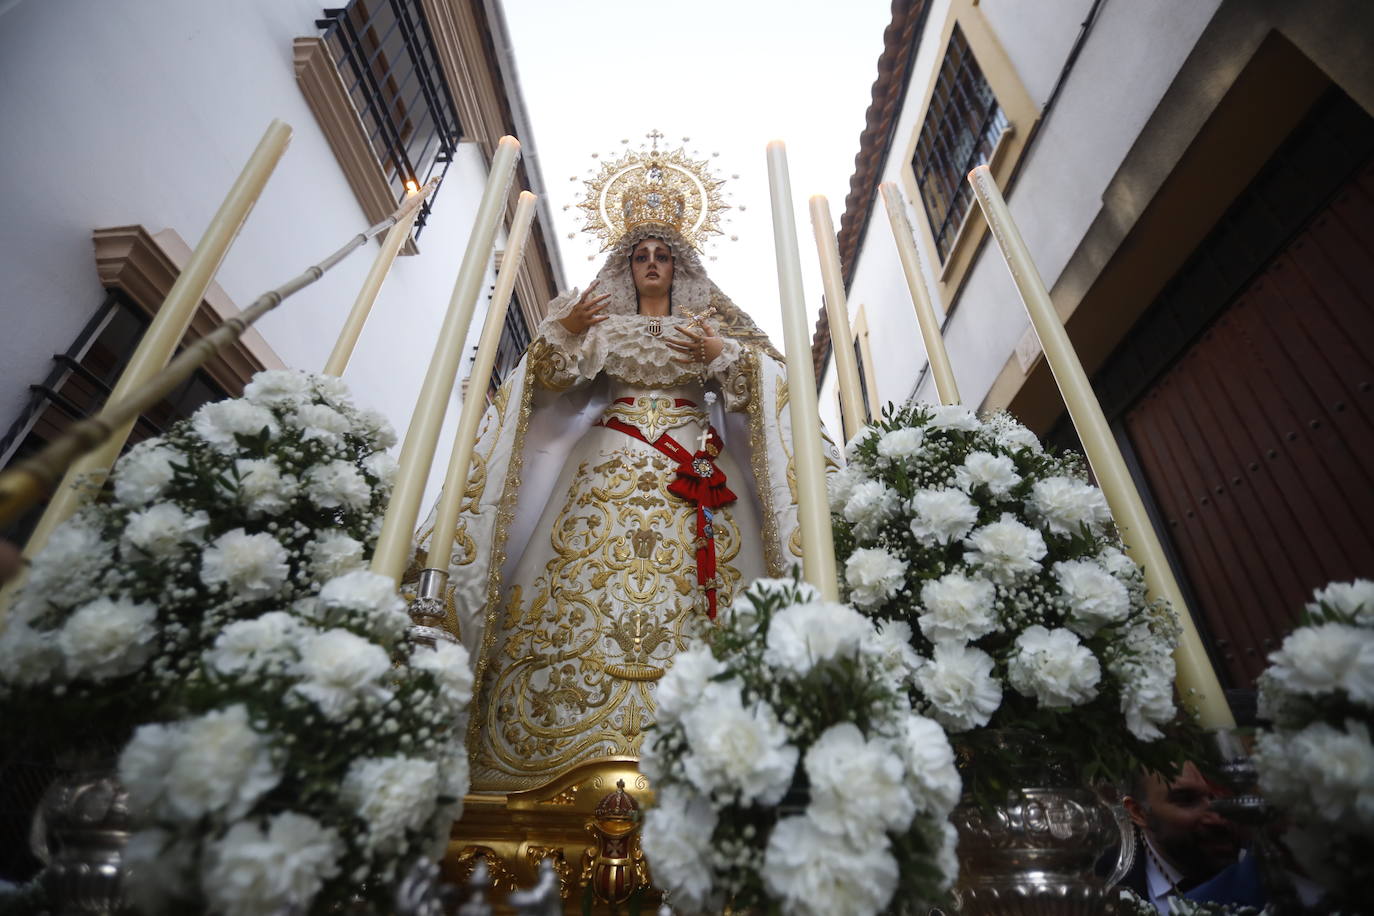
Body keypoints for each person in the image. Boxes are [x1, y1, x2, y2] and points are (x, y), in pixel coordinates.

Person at [410, 139, 822, 792]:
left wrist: (723, 354)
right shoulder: (596, 320)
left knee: (707, 602)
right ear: (626, 264)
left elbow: (772, 382)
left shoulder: (712, 322)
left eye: (663, 255)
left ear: (680, 263)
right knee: (572, 585)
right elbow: (544, 382)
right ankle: (539, 750)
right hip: (604, 463)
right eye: (641, 255)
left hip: (700, 476)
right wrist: (565, 331)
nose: (652, 264)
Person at [1119, 762, 1244, 913]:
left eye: (1217, 797)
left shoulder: (1264, 864)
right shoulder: (1106, 888)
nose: (1217, 818)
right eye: (1187, 800)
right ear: (1139, 812)